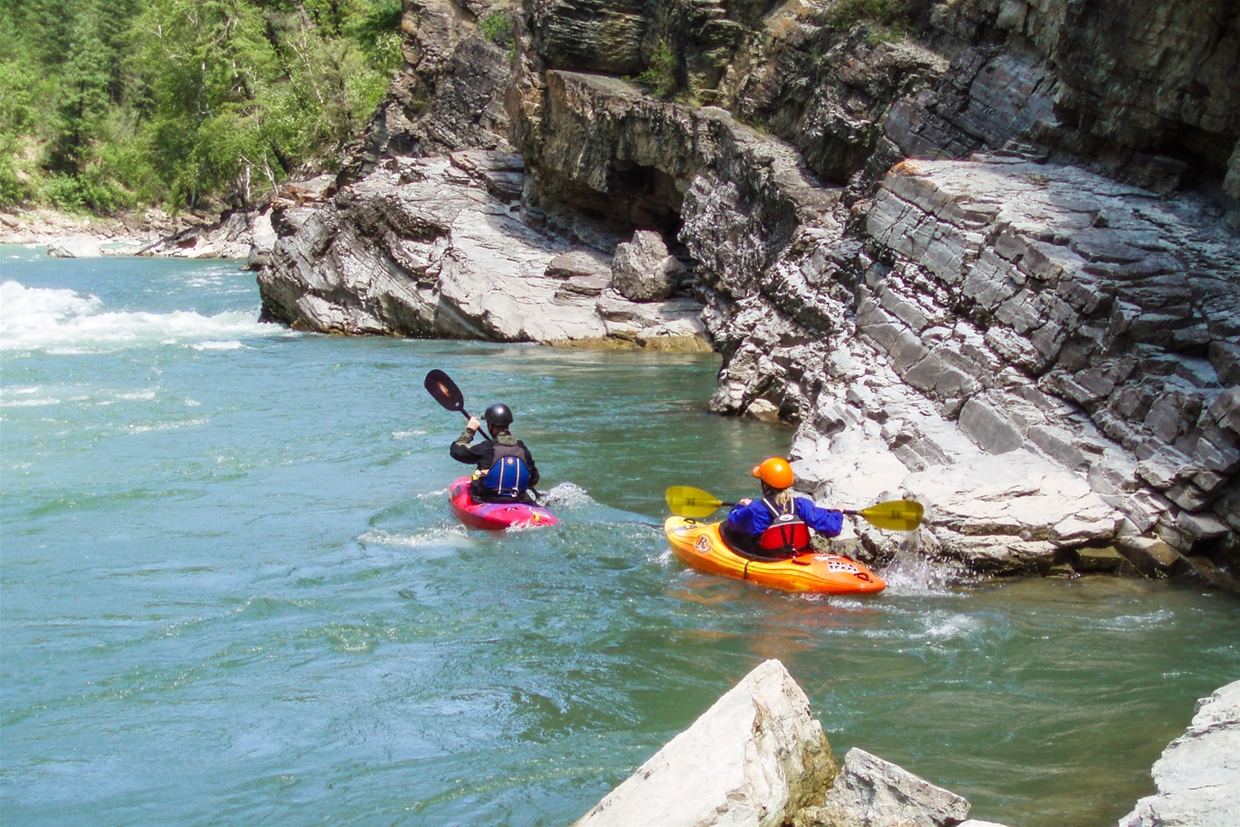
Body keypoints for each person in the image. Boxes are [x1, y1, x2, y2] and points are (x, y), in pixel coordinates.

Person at [720, 457, 844, 558]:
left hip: (768, 559)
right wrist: (837, 512)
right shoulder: (802, 505)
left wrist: (741, 506)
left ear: (765, 485)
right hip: (799, 554)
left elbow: (733, 522)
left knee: (730, 532)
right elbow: (833, 528)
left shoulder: (756, 509)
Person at [450, 402, 540, 503]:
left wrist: (470, 431)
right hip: (518, 500)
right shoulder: (523, 450)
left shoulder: (487, 448)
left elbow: (455, 450)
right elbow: (534, 478)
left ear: (490, 425)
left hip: (489, 500)